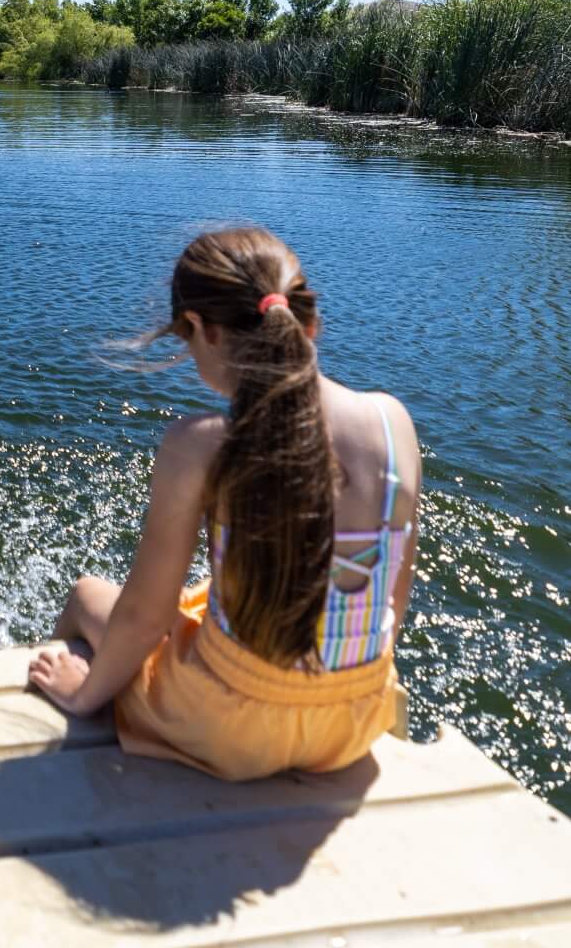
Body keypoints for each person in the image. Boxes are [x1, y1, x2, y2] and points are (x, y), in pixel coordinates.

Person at [26, 225, 419, 779]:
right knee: (208, 594)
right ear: (308, 322)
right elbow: (392, 597)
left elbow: (144, 616)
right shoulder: (391, 421)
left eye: (185, 342)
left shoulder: (200, 445)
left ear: (200, 330)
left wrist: (83, 693)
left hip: (228, 729)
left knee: (89, 594)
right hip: (349, 725)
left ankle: (73, 712)